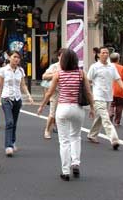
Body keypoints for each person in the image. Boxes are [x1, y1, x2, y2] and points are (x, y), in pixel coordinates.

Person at [38, 49, 94, 181]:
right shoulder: (81, 74)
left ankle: (65, 171)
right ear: (75, 60)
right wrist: (92, 107)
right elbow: (88, 92)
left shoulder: (58, 74)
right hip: (78, 109)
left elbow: (50, 92)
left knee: (64, 141)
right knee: (76, 136)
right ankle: (75, 163)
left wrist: (41, 106)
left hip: (62, 108)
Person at [0, 51, 33, 156]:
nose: (16, 59)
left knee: (14, 122)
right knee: (9, 122)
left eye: (18, 57)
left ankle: (12, 141)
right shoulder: (3, 70)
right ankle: (8, 146)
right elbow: (0, 85)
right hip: (6, 98)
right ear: (9, 58)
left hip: (17, 99)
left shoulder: (20, 70)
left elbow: (23, 85)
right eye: (14, 57)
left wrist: (29, 96)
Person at [86, 46, 123, 149]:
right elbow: (88, 81)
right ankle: (114, 139)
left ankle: (92, 135)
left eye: (107, 53)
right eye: (103, 53)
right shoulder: (94, 67)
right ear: (98, 54)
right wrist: (88, 95)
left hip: (108, 96)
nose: (105, 54)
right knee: (106, 118)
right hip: (98, 96)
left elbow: (118, 79)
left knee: (100, 117)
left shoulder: (112, 67)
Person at [42, 49, 64, 139]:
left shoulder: (69, 66)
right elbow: (44, 76)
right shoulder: (54, 66)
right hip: (55, 92)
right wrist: (55, 74)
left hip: (66, 92)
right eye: (62, 56)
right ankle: (47, 130)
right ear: (59, 57)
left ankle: (60, 128)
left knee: (65, 113)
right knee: (53, 113)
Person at [110, 52, 123, 127]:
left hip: (110, 89)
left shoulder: (107, 67)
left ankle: (111, 114)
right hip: (120, 90)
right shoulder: (121, 68)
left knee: (111, 104)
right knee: (119, 106)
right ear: (118, 59)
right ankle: (117, 121)